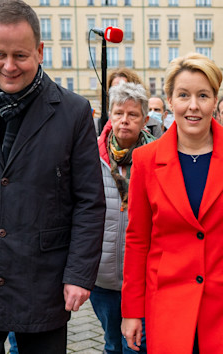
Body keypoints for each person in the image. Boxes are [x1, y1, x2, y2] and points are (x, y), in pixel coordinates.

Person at [0, 1, 106, 353]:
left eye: (20, 56)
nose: (9, 66)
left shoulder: (73, 111)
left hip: (42, 279)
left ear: (40, 52)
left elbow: (89, 201)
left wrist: (78, 275)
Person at [120, 53, 223, 353]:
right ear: (169, 100)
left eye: (203, 95)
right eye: (183, 95)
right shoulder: (145, 160)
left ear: (214, 100)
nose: (193, 105)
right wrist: (131, 310)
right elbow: (138, 240)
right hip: (167, 304)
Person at [91, 82, 155, 354]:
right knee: (112, 343)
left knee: (137, 346)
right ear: (110, 116)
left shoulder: (157, 157)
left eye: (133, 114)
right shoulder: (90, 156)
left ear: (145, 120)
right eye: (118, 113)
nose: (124, 121)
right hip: (102, 276)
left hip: (144, 278)